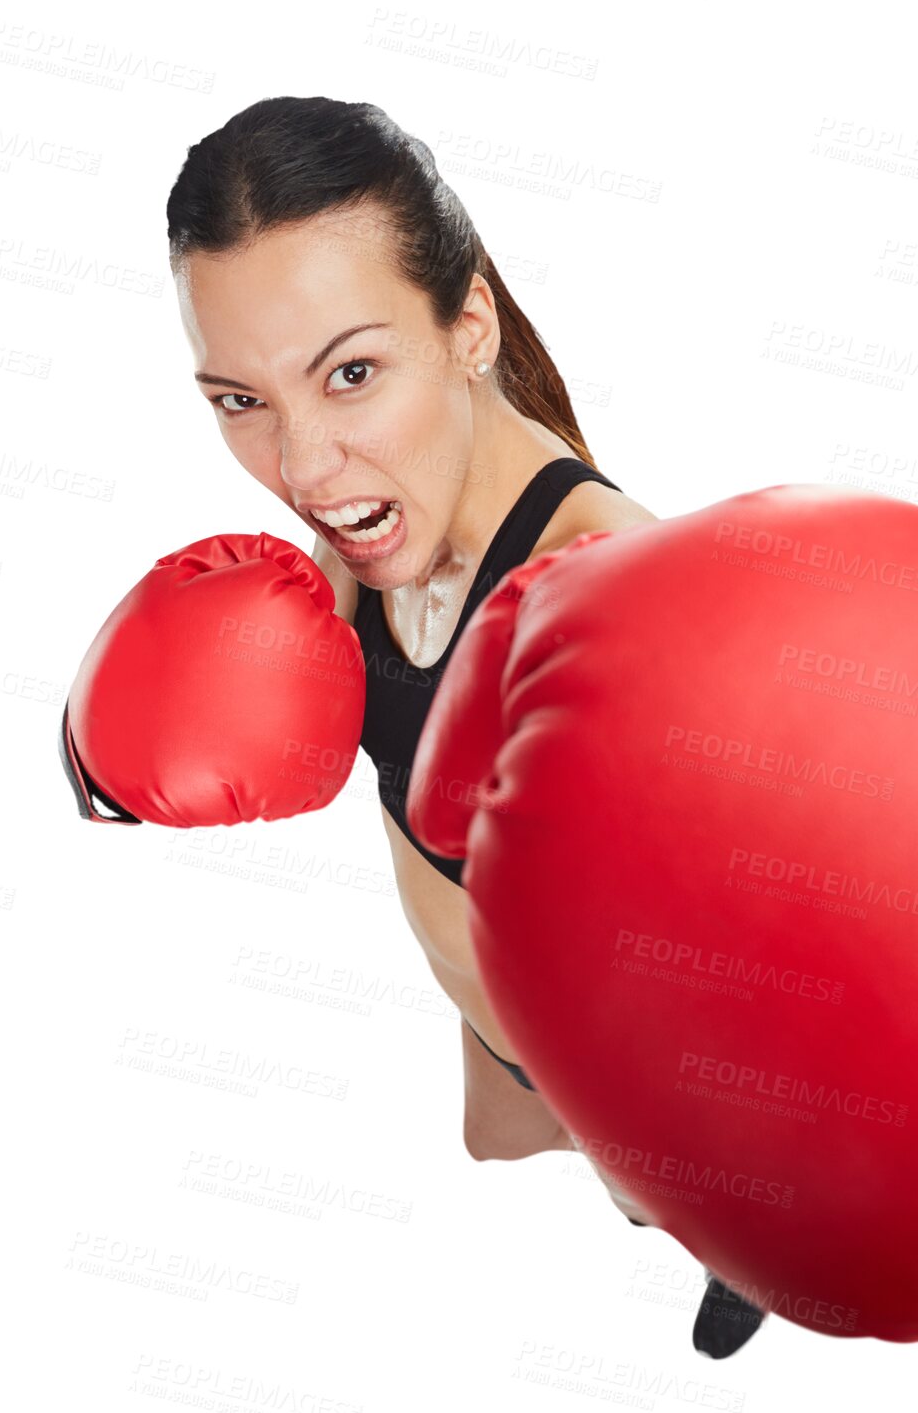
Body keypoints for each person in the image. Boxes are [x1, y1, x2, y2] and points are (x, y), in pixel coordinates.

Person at [164, 95, 764, 1358]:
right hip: (492, 1028)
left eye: (351, 374)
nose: (307, 467)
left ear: (468, 325)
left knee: (650, 1184)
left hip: (624, 1067)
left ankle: (732, 1242)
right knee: (492, 1135)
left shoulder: (609, 595)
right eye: (239, 400)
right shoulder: (364, 529)